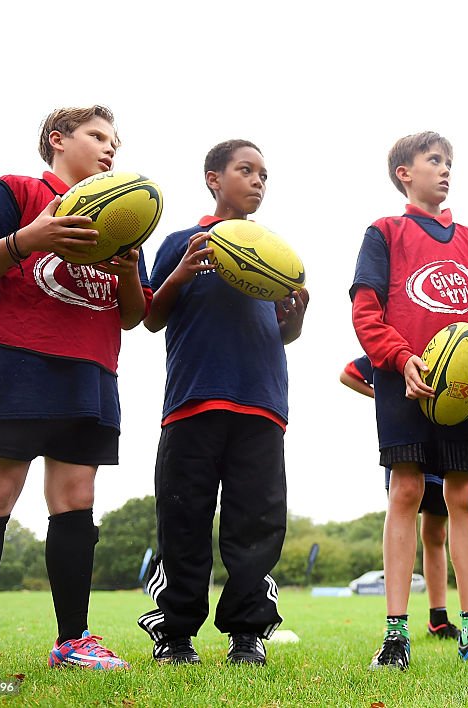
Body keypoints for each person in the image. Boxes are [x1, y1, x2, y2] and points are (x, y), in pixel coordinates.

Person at [0, 105, 147, 677]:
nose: (110, 150)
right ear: (58, 140)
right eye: (98, 136)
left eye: (116, 143)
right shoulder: (16, 190)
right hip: (15, 361)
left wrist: (128, 267)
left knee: (76, 498)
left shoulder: (128, 214)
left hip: (92, 372)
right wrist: (29, 237)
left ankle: (74, 639)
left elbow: (133, 315)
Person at [351, 131, 468, 670]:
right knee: (404, 493)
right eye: (434, 161)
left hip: (464, 389)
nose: (445, 170)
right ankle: (395, 636)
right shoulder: (384, 232)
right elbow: (365, 310)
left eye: (449, 162)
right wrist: (402, 360)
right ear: (405, 172)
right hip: (407, 380)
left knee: (464, 497)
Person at [136, 139, 308, 666]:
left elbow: (283, 335)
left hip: (261, 404)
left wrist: (297, 313)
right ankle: (175, 634)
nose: (258, 180)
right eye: (245, 170)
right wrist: (183, 271)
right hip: (193, 402)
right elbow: (150, 315)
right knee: (183, 521)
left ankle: (247, 633)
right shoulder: (182, 243)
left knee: (255, 525)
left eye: (263, 174)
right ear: (214, 178)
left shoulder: (273, 254)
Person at [340, 355, 461, 641]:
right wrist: (382, 397)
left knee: (436, 532)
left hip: (441, 435)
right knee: (404, 508)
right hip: (405, 438)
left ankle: (438, 618)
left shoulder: (445, 346)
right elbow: (347, 375)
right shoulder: (390, 351)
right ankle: (397, 624)